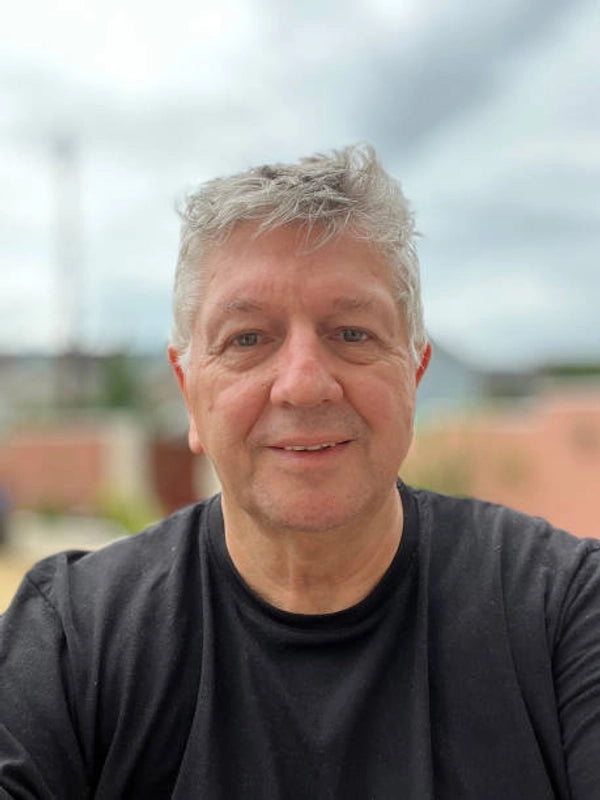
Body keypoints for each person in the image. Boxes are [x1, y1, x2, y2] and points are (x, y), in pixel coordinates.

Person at [0, 145, 599, 799]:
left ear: (414, 374)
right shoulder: (71, 640)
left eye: (352, 333)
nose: (305, 385)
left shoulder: (565, 613)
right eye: (248, 338)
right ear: (188, 391)